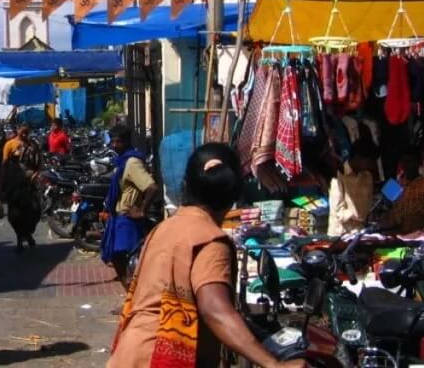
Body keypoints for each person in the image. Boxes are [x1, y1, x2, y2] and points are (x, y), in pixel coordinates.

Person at [109, 143, 307, 368]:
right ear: (234, 194)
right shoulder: (211, 241)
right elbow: (214, 308)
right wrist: (273, 364)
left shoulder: (163, 229)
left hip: (130, 352)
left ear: (186, 185)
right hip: (161, 358)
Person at [101, 125, 159, 283]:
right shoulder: (121, 161)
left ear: (126, 142)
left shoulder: (132, 162)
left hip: (127, 219)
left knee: (125, 259)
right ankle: (129, 301)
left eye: (118, 142)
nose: (114, 145)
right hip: (118, 217)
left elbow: (152, 187)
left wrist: (141, 210)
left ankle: (132, 301)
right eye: (112, 141)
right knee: (118, 258)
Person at [385, 150, 424, 235]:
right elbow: (386, 214)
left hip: (422, 239)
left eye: (410, 161)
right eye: (404, 162)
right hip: (397, 238)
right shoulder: (394, 186)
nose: (407, 165)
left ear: (418, 163)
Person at [1, 123, 42, 252]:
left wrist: (36, 174)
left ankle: (28, 233)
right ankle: (20, 238)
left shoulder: (32, 145)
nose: (24, 135)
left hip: (30, 184)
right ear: (17, 130)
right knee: (16, 214)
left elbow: (38, 162)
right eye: (22, 132)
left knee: (34, 211)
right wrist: (2, 184)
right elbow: (4, 164)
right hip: (15, 185)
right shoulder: (9, 145)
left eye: (26, 132)